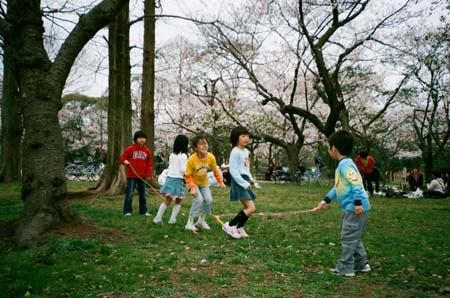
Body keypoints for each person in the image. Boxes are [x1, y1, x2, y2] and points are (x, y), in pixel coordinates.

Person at [316, 130, 371, 277]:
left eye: (328, 147)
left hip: (355, 208)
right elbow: (338, 186)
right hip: (354, 208)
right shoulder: (345, 165)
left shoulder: (345, 165)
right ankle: (362, 264)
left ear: (334, 148)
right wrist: (326, 200)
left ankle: (346, 268)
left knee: (348, 237)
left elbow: (357, 184)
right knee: (354, 236)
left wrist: (357, 203)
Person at [184, 135, 226, 233]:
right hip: (193, 183)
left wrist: (221, 182)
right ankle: (189, 223)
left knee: (208, 200)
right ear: (195, 148)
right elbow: (187, 175)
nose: (204, 146)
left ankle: (201, 221)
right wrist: (193, 188)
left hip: (204, 182)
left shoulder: (211, 157)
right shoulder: (192, 159)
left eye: (205, 143)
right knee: (198, 200)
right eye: (201, 144)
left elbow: (215, 171)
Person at [222, 126, 257, 239]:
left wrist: (251, 180)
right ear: (236, 138)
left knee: (248, 208)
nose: (246, 138)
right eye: (243, 136)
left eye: (247, 136)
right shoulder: (235, 151)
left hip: (245, 180)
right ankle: (230, 225)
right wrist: (243, 183)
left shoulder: (246, 151)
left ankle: (239, 228)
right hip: (239, 182)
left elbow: (246, 168)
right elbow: (234, 170)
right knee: (251, 208)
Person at [152, 134, 189, 225]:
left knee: (167, 200)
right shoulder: (183, 156)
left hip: (169, 179)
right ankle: (171, 219)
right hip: (177, 180)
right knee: (178, 200)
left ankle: (158, 218)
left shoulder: (172, 155)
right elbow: (183, 169)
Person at [119, 130, 153, 216]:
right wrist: (125, 161)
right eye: (140, 138)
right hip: (131, 175)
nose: (142, 140)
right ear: (136, 139)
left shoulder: (147, 151)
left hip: (142, 176)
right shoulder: (130, 149)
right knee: (129, 193)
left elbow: (149, 164)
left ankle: (143, 211)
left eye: (144, 138)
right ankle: (127, 211)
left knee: (143, 195)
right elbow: (122, 157)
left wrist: (149, 174)